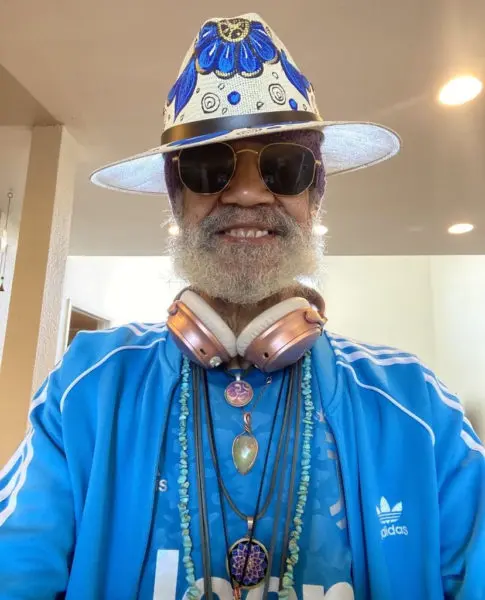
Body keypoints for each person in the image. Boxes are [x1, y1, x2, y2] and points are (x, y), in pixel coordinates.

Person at [0, 12, 484, 600]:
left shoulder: (416, 406)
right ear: (177, 203)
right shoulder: (87, 390)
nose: (249, 193)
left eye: (284, 167)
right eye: (209, 167)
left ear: (314, 198)